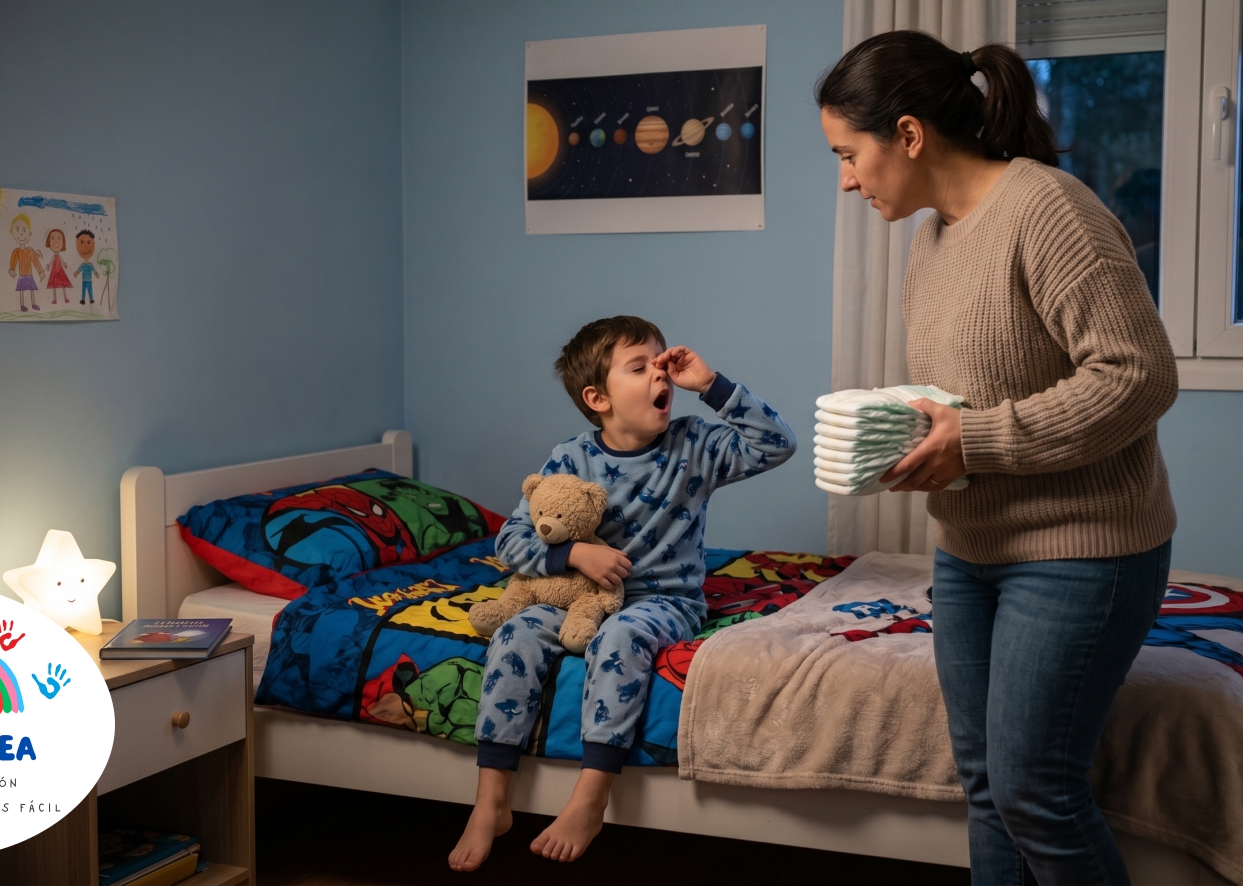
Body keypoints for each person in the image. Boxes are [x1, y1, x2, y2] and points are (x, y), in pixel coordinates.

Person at [817, 31, 1177, 885]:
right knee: (986, 790)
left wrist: (972, 440)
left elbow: (1140, 376)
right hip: (972, 551)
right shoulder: (933, 238)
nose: (846, 180)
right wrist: (912, 437)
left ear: (908, 134)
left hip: (1082, 549)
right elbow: (972, 391)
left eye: (848, 154)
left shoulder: (1050, 210)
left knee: (1035, 795)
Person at [449, 316, 796, 871]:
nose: (661, 374)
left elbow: (777, 444)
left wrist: (710, 385)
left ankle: (591, 794)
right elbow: (512, 538)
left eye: (662, 363)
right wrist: (572, 555)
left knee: (621, 633)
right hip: (573, 595)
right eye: (640, 367)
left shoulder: (694, 444)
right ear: (598, 397)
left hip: (664, 601)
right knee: (515, 632)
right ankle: (492, 798)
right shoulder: (570, 458)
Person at [7, 214, 46, 312]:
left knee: (32, 289)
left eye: (24, 230)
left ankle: (33, 304)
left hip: (29, 275)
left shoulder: (29, 250)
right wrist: (12, 270)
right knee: (22, 290)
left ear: (30, 233)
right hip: (22, 275)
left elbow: (35, 261)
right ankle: (22, 305)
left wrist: (41, 272)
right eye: (17, 230)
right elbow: (13, 260)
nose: (21, 234)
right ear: (12, 233)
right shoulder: (16, 251)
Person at [44, 229, 73, 304]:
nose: (56, 241)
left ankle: (65, 298)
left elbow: (62, 261)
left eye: (59, 238)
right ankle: (55, 299)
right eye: (52, 238)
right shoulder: (55, 256)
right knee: (54, 284)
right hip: (54, 270)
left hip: (60, 270)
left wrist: (64, 264)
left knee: (63, 282)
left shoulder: (58, 256)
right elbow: (51, 262)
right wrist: (48, 266)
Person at [73, 229, 100, 305]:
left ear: (93, 244)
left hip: (89, 280)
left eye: (88, 242)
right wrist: (76, 273)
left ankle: (91, 299)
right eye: (82, 242)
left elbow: (94, 270)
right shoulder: (82, 265)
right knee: (83, 290)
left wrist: (96, 273)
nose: (85, 246)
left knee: (90, 290)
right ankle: (83, 299)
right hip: (84, 280)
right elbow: (79, 270)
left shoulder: (90, 265)